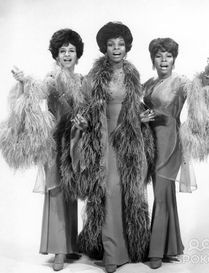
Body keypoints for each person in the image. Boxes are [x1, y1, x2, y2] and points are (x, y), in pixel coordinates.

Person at [68, 22, 155, 273]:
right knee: (108, 191)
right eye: (111, 44)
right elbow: (84, 105)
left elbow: (134, 106)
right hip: (102, 140)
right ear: (104, 47)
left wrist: (140, 118)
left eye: (120, 44)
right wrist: (83, 122)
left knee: (128, 191)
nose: (116, 48)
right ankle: (109, 253)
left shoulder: (132, 73)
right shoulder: (95, 76)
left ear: (126, 47)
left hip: (128, 141)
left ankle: (127, 250)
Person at [0, 28, 84, 271]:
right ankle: (58, 250)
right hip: (55, 143)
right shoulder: (51, 77)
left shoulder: (82, 80)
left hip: (76, 141)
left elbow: (89, 107)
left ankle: (70, 246)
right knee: (56, 192)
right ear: (56, 55)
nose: (67, 54)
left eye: (71, 50)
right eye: (62, 50)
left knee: (71, 191)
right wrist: (25, 81)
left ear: (78, 54)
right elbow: (38, 91)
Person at [142, 38, 209, 269]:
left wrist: (208, 72)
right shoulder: (148, 83)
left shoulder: (180, 82)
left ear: (174, 59)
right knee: (165, 196)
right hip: (149, 143)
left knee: (161, 194)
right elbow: (137, 106)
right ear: (153, 59)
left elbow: (200, 92)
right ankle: (169, 247)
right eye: (159, 56)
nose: (163, 60)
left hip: (170, 143)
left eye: (168, 56)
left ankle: (156, 252)